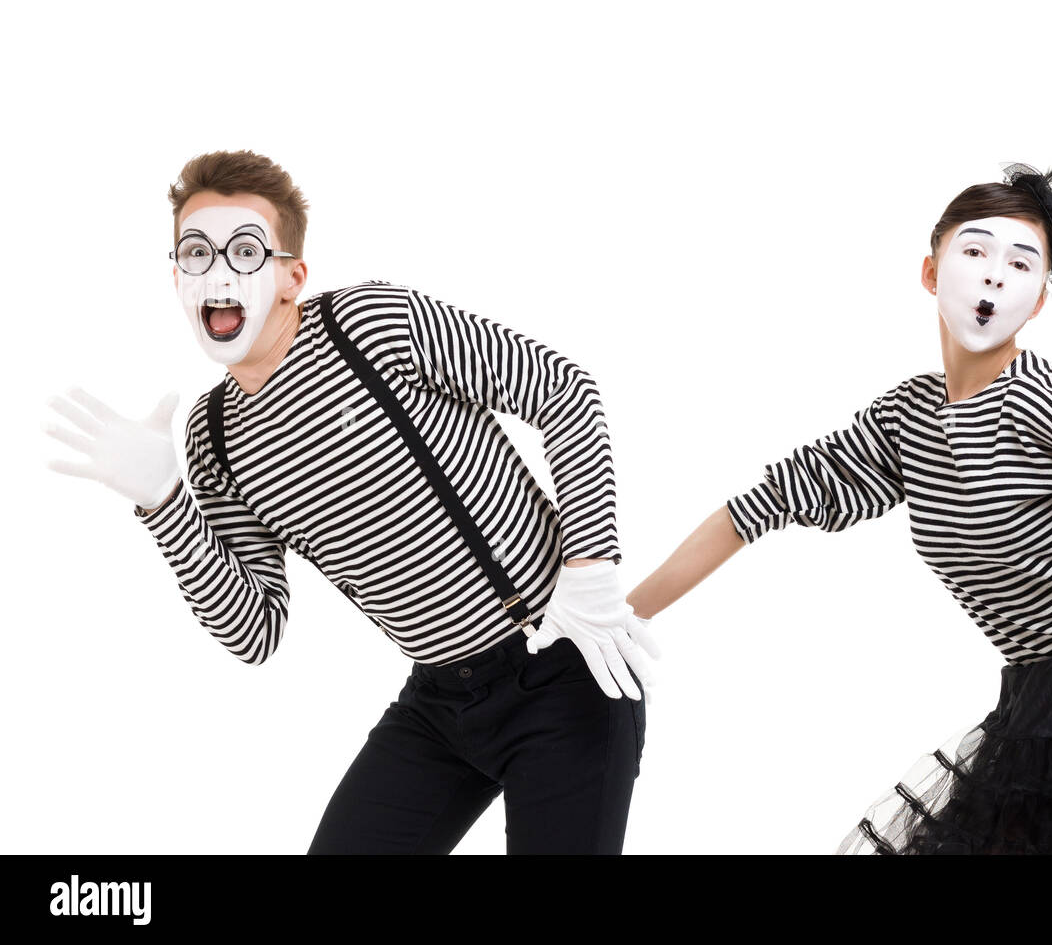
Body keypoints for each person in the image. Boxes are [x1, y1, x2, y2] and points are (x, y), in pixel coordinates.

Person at [625, 157, 1052, 854]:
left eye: (1020, 264)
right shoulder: (905, 420)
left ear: (1036, 301)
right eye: (974, 251)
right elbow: (754, 508)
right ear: (930, 272)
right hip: (1045, 700)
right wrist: (618, 617)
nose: (992, 275)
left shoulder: (1047, 404)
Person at [43, 149, 657, 855]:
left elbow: (562, 389)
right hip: (441, 702)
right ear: (176, 278)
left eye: (244, 251)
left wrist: (590, 569)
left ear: (290, 276)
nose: (218, 271)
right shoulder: (211, 440)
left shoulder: (370, 323)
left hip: (563, 661)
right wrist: (163, 498)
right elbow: (254, 631)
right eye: (196, 253)